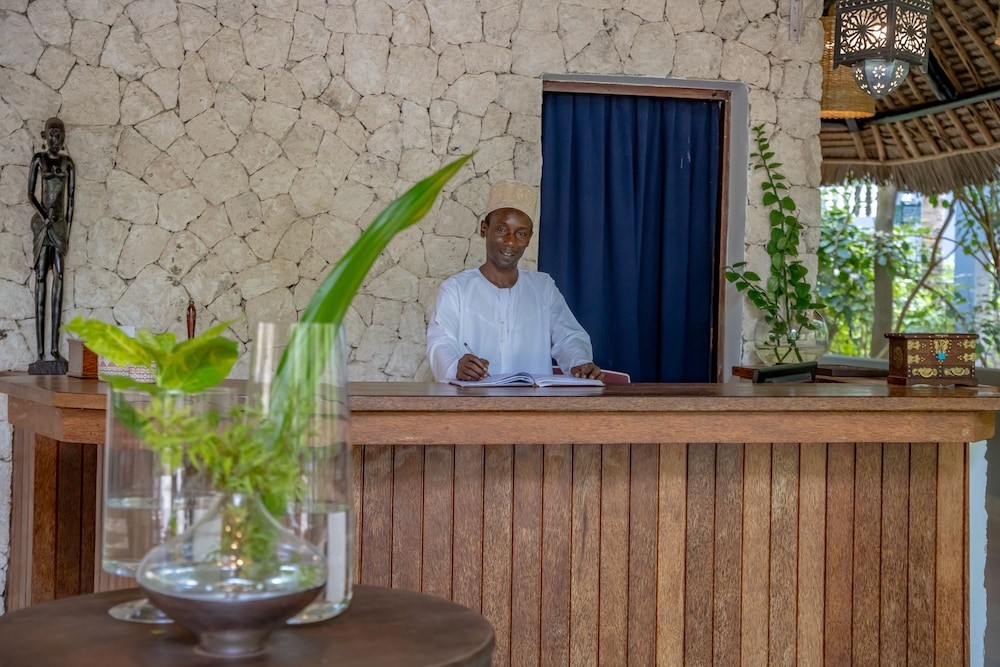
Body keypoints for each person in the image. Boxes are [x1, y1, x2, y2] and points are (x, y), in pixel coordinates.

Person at [426, 179, 603, 382]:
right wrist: (455, 366)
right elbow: (440, 342)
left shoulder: (543, 288)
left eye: (521, 233)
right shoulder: (456, 289)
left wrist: (579, 362)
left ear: (529, 239)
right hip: (473, 400)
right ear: (484, 229)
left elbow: (569, 337)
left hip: (532, 401)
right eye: (502, 230)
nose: (510, 241)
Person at [28, 117, 75, 368]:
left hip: (58, 227)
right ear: (45, 136)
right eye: (52, 135)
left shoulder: (68, 164)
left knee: (59, 277)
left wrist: (65, 232)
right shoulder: (39, 159)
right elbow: (30, 194)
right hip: (42, 225)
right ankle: (39, 353)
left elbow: (71, 202)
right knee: (40, 278)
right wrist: (44, 216)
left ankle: (55, 349)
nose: (56, 139)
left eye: (60, 135)